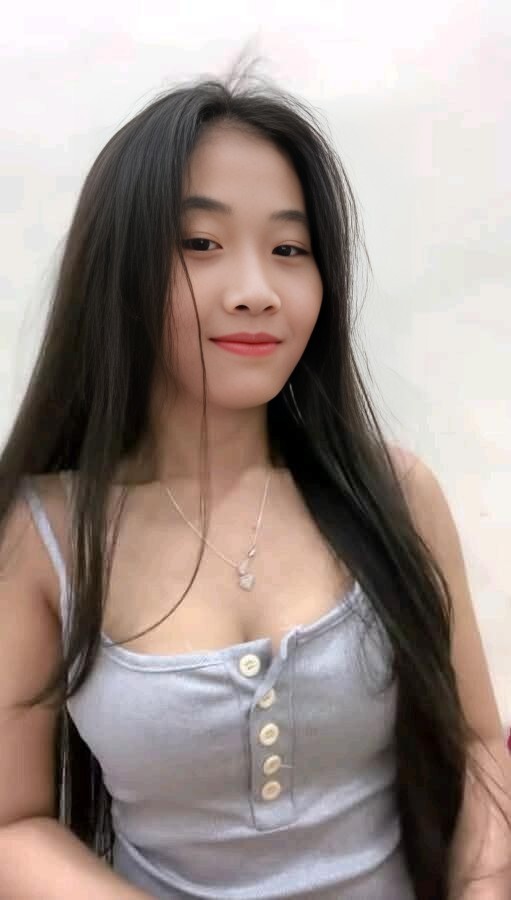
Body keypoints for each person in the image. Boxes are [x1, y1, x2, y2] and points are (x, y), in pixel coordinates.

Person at [0, 53, 510, 900]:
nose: (255, 290)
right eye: (200, 244)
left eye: (288, 249)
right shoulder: (44, 535)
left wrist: (482, 888)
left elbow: (476, 744)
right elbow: (12, 821)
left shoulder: (394, 494)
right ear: (117, 269)